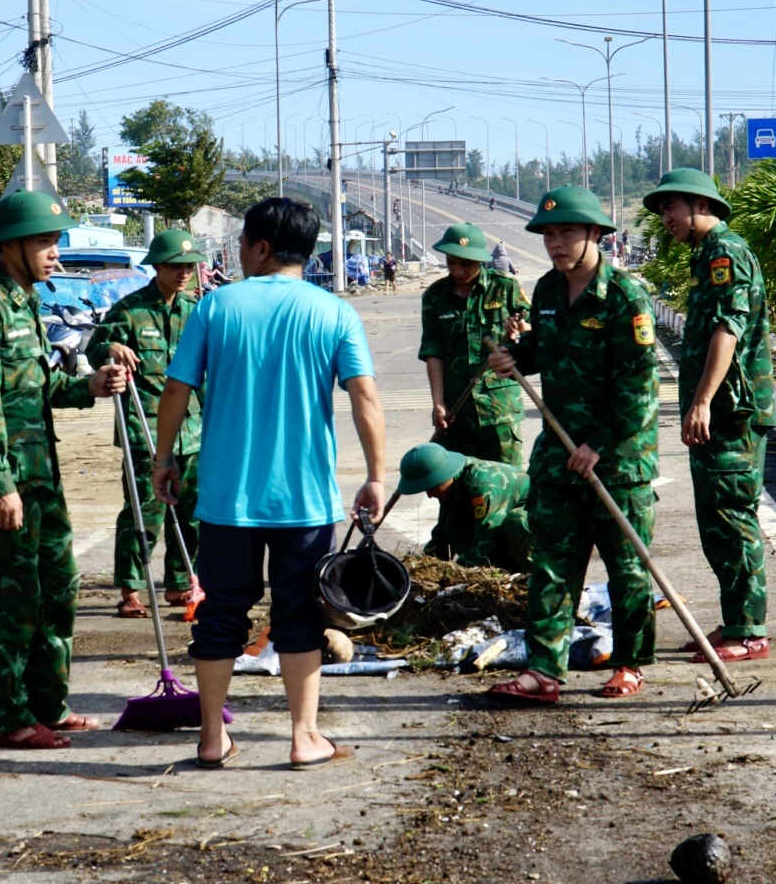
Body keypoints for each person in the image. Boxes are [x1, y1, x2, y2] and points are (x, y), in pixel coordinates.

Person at [152, 197, 386, 770]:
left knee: (221, 614)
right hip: (304, 501)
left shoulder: (215, 307)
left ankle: (211, 739)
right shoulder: (334, 313)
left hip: (227, 500)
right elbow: (364, 398)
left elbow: (177, 391)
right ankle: (305, 739)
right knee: (299, 616)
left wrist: (163, 458)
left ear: (259, 247)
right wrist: (377, 477)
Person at [0, 190, 129, 751]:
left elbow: (36, 389)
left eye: (54, 242)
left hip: (42, 475)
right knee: (13, 599)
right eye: (44, 242)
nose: (54, 253)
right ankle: (10, 717)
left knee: (57, 590)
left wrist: (89, 386)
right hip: (7, 479)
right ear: (11, 245)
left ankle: (49, 704)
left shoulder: (26, 305)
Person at [484, 186, 659, 702]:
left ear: (595, 234)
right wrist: (515, 356)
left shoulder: (626, 297)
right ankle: (543, 671)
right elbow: (541, 349)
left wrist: (598, 444)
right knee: (553, 566)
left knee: (627, 568)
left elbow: (639, 387)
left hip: (618, 460)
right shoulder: (544, 292)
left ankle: (629, 664)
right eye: (549, 234)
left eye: (567, 232)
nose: (555, 243)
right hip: (559, 458)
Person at [646, 168, 774, 664]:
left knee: (732, 518)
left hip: (731, 414)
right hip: (722, 413)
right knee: (717, 521)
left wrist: (701, 402)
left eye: (670, 209)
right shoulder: (707, 257)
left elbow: (727, 330)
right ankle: (739, 620)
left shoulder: (725, 253)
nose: (665, 220)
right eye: (661, 212)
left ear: (700, 205)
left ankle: (750, 631)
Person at [88, 228, 204, 620]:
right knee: (145, 508)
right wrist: (110, 347)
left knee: (190, 509)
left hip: (192, 427)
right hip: (145, 424)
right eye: (175, 266)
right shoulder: (130, 309)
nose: (183, 273)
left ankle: (178, 581)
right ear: (157, 266)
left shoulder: (197, 311)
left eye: (189, 266)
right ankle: (131, 588)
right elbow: (94, 349)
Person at [420, 222, 532, 467]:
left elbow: (534, 328)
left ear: (480, 260)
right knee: (460, 491)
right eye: (451, 262)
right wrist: (438, 403)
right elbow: (433, 353)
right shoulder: (435, 297)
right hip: (456, 411)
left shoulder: (505, 287)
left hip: (500, 411)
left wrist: (519, 328)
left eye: (466, 263)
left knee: (508, 489)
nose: (458, 270)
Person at [397, 441, 533, 573]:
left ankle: (533, 578)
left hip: (538, 531)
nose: (430, 495)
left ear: (444, 476)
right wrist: (424, 565)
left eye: (432, 487)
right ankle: (506, 569)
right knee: (452, 523)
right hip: (499, 532)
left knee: (517, 520)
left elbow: (486, 536)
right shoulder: (450, 485)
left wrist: (459, 573)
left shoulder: (483, 486)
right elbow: (442, 536)